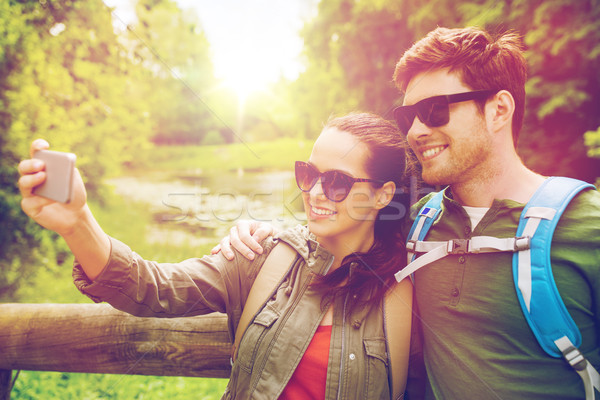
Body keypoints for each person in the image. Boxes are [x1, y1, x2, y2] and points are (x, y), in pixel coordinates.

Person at [216, 27, 600, 399]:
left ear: (498, 110)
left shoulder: (587, 228)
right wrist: (256, 232)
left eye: (435, 110)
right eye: (408, 116)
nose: (415, 130)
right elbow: (331, 220)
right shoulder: (415, 223)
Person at [18, 112, 414, 400]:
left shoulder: (411, 285)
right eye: (308, 174)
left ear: (383, 194)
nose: (313, 193)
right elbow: (152, 287)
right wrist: (77, 223)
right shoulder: (261, 256)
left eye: (337, 182)